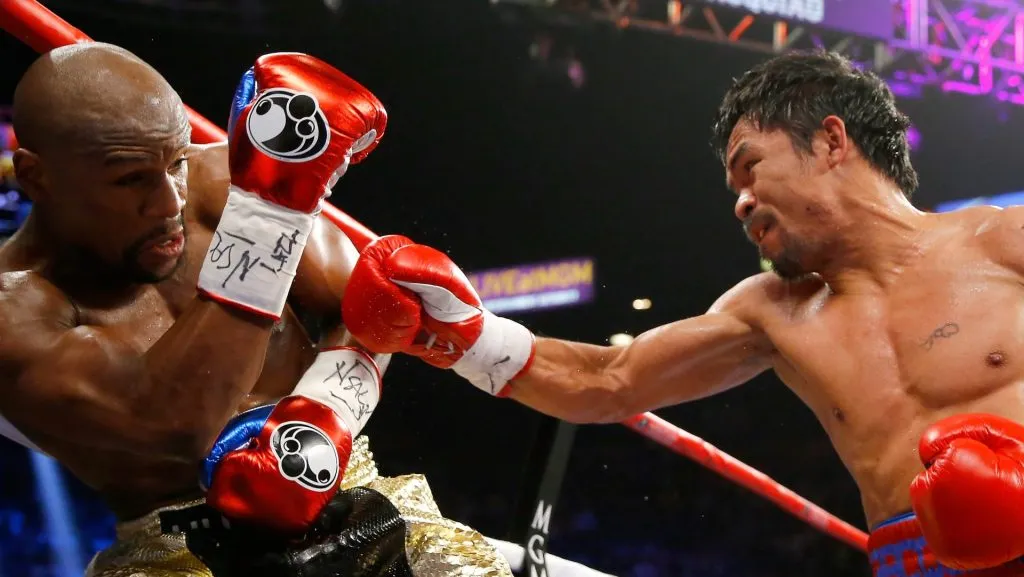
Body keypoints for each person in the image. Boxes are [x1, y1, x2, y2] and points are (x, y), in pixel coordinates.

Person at [340, 50, 1024, 576]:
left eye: (751, 167)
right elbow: (611, 379)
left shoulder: (1002, 241)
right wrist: (464, 335)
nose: (741, 202)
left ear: (831, 140)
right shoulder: (774, 312)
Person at [0, 43, 512, 577]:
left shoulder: (226, 185)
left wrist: (324, 413)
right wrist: (269, 218)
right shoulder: (14, 309)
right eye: (130, 178)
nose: (169, 201)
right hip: (177, 546)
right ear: (35, 177)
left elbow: (372, 310)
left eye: (175, 162)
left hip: (346, 487)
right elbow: (175, 427)